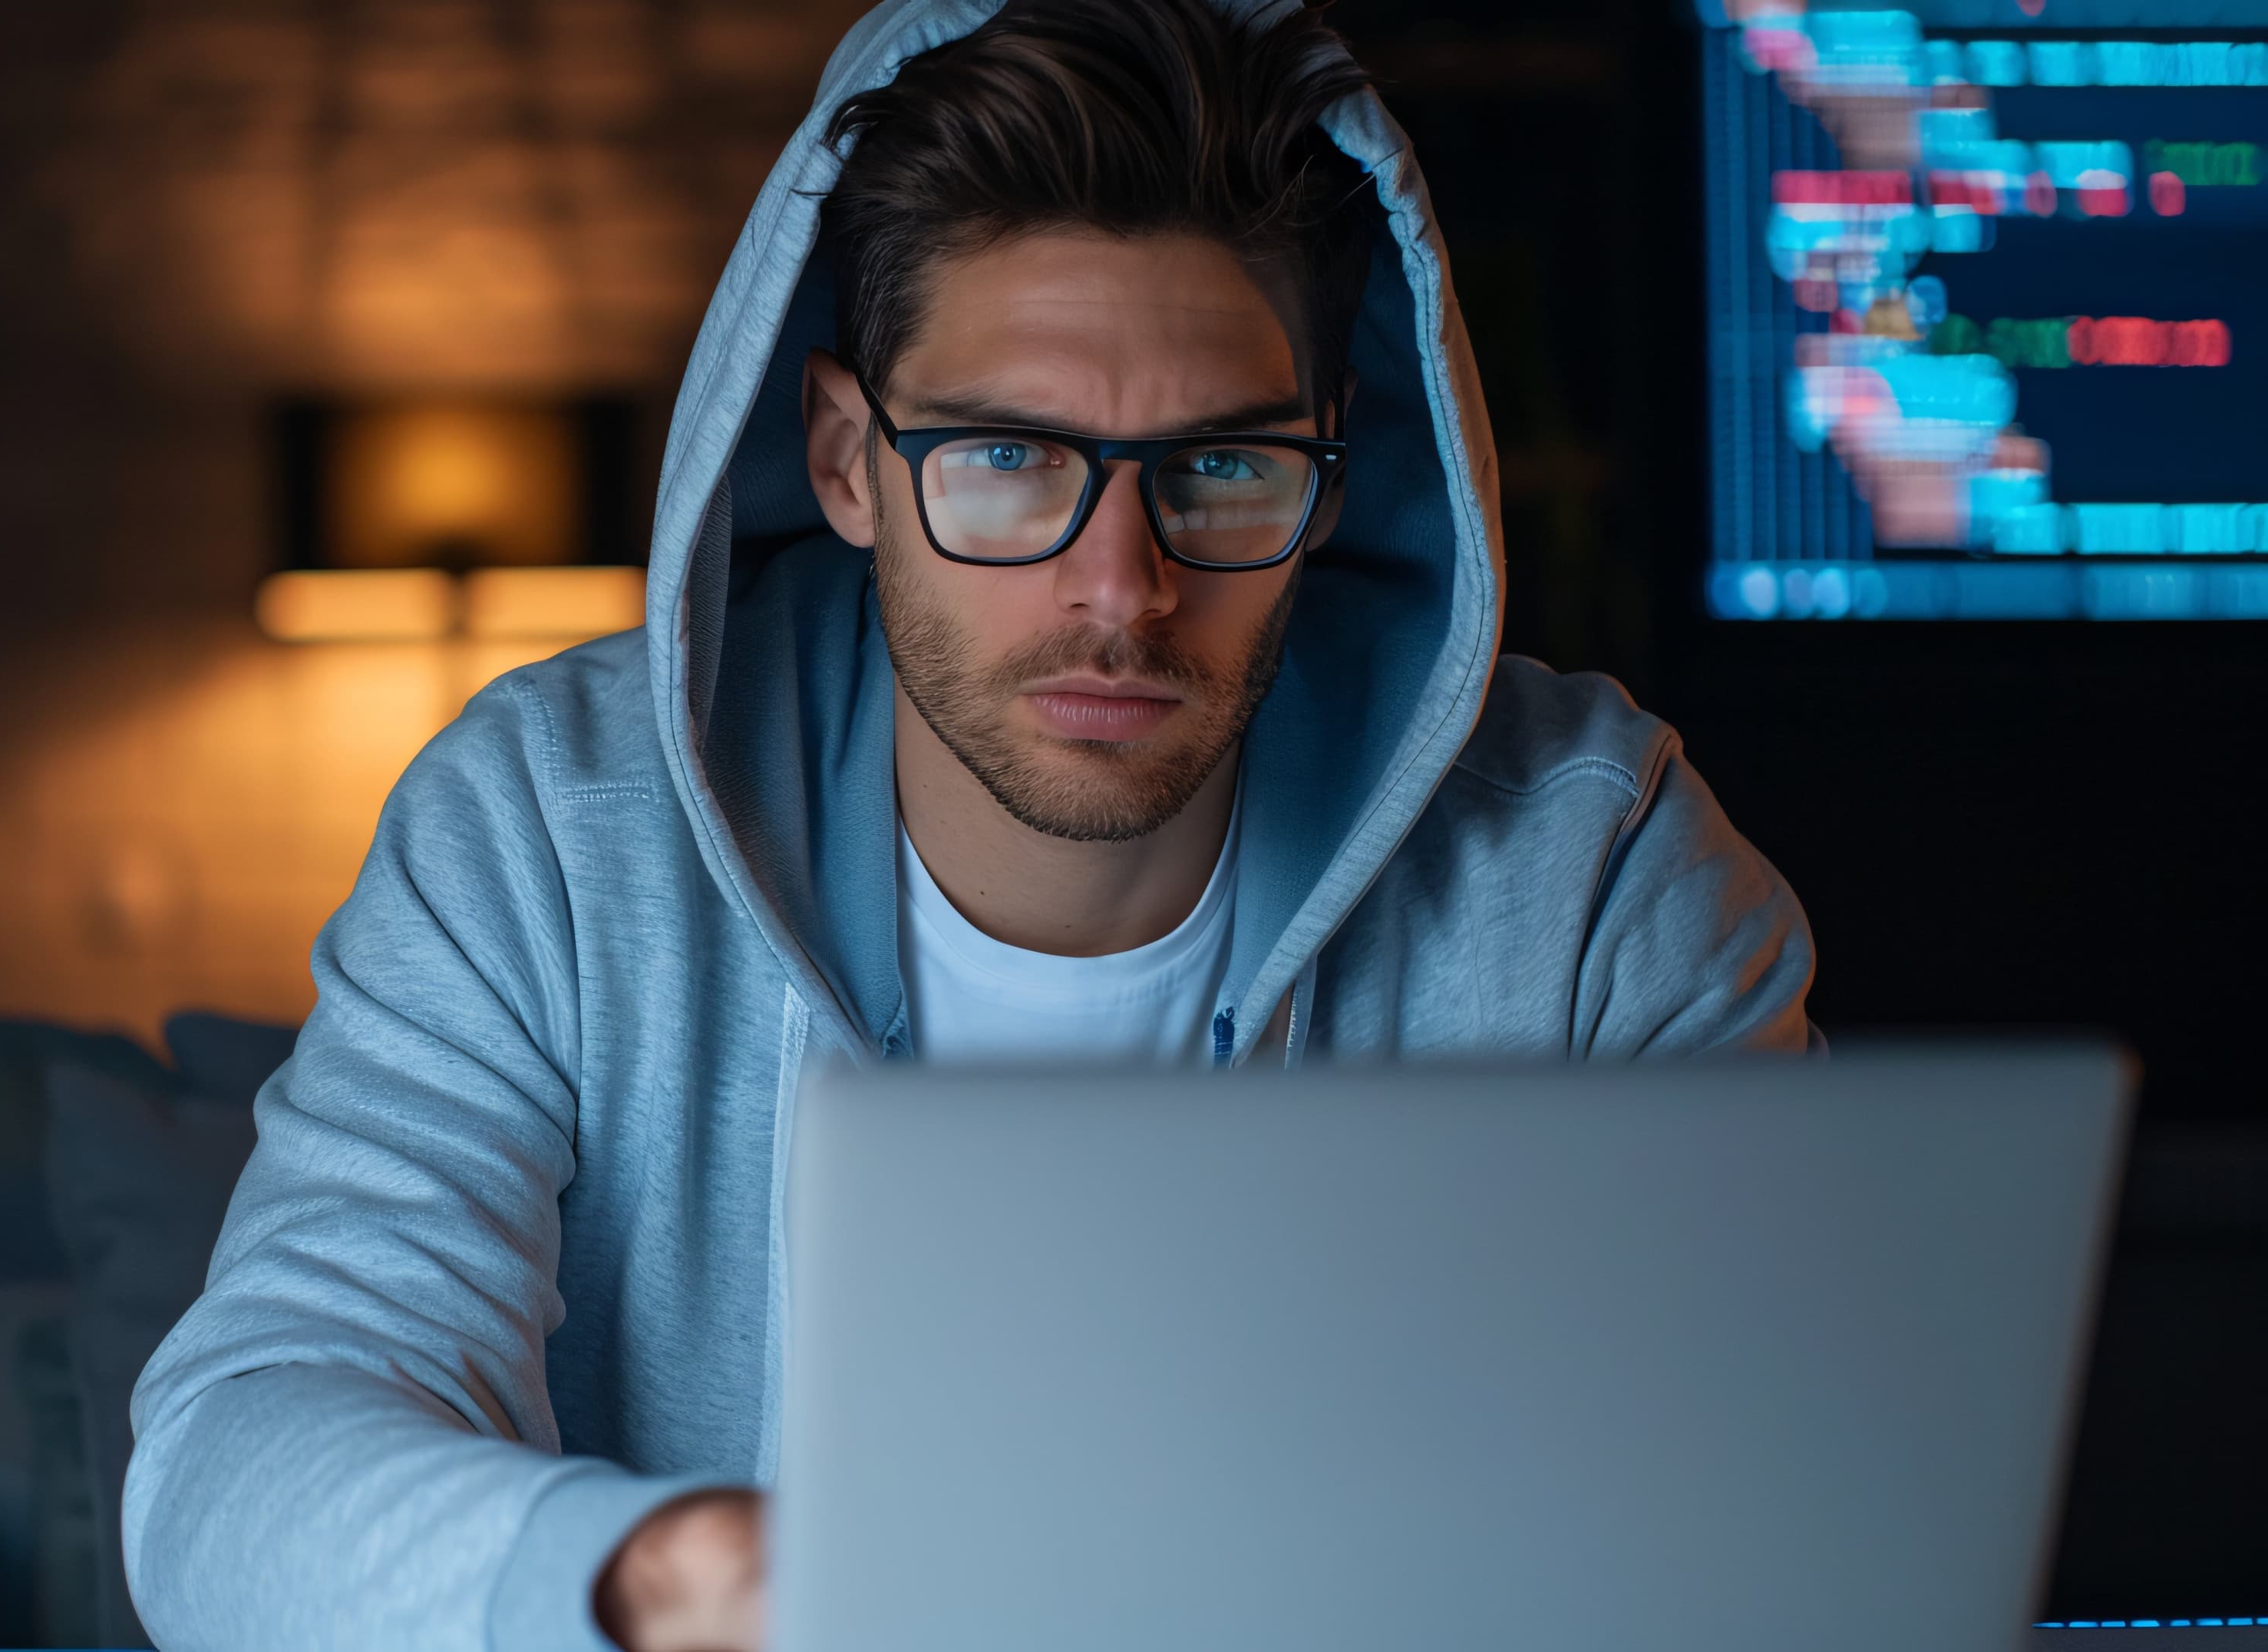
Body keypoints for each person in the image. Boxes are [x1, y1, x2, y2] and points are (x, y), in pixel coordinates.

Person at [125, 2, 1817, 1648]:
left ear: (1335, 476)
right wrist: (683, 1576)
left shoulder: (1593, 870)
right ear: (850, 462)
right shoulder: (549, 831)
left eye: (1222, 468)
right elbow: (238, 1468)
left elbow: (1795, 1496)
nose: (1121, 589)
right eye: (1009, 454)